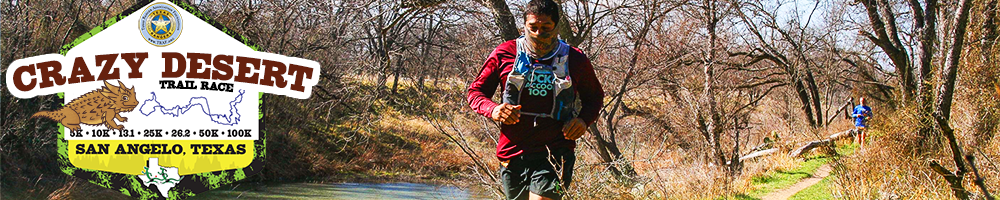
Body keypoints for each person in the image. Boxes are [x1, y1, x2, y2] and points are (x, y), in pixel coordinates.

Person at [466, 0, 604, 199]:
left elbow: (595, 97)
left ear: (557, 27)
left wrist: (583, 121)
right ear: (525, 26)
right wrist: (494, 110)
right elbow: (475, 92)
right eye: (533, 27)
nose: (539, 33)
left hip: (557, 149)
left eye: (545, 27)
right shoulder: (505, 53)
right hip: (513, 152)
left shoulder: (575, 59)